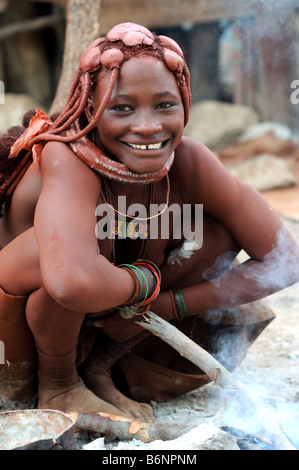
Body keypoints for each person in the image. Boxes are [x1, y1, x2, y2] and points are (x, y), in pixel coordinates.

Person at [0, 23, 298, 423]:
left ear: (186, 104)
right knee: (88, 237)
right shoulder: (66, 156)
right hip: (16, 340)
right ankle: (60, 387)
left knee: (213, 235)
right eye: (121, 108)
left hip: (105, 325)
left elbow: (286, 259)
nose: (147, 126)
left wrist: (169, 305)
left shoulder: (190, 160)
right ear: (91, 110)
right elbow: (70, 281)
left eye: (164, 105)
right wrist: (144, 283)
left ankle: (97, 369)